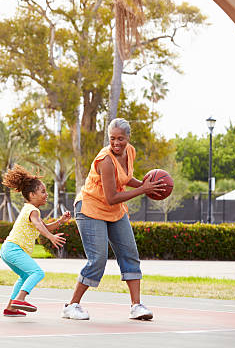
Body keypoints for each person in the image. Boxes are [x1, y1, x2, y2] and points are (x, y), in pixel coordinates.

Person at [61, 118, 165, 321]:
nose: (116, 143)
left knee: (130, 254)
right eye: (112, 139)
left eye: (121, 139)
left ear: (128, 138)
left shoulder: (130, 152)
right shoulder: (106, 160)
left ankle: (136, 306)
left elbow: (124, 179)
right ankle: (71, 305)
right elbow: (111, 197)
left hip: (114, 211)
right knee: (98, 259)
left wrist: (146, 185)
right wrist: (143, 190)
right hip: (90, 208)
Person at [0, 164, 70, 317]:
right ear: (32, 195)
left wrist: (61, 221)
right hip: (14, 249)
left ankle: (10, 308)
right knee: (37, 272)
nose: (46, 195)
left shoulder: (30, 210)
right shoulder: (33, 210)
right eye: (43, 192)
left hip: (8, 249)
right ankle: (20, 300)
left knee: (25, 276)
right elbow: (40, 226)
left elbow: (45, 226)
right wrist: (51, 238)